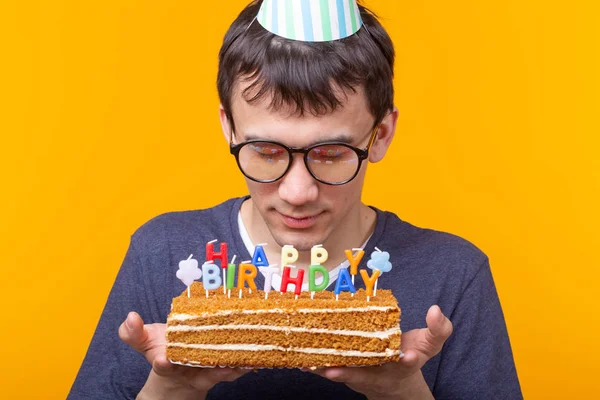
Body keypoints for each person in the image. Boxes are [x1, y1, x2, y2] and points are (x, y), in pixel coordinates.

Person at [68, 1, 522, 399]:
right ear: (229, 129)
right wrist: (167, 392)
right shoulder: (160, 253)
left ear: (380, 135)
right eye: (266, 152)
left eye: (331, 154)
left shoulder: (454, 274)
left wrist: (404, 393)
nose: (297, 193)